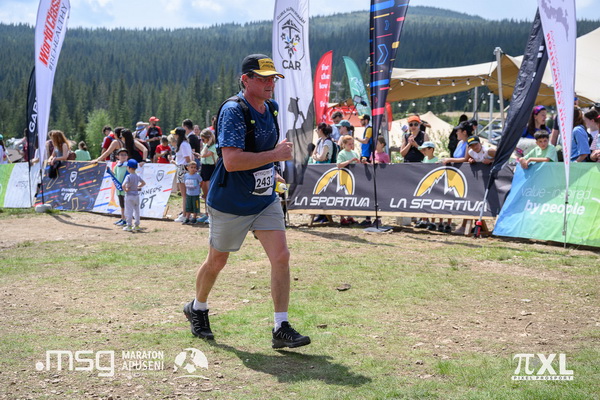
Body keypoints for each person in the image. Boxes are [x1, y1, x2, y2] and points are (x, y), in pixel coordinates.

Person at [183, 54, 310, 349]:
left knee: (281, 256)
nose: (270, 83)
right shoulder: (233, 110)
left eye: (273, 78)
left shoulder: (272, 108)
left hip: (264, 199)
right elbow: (231, 161)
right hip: (230, 201)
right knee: (217, 261)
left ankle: (281, 327)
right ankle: (197, 308)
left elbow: (265, 148)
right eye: (263, 78)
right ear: (246, 79)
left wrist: (273, 170)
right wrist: (274, 156)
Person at [172, 127, 193, 222]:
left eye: (175, 134)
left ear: (178, 135)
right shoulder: (186, 143)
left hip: (183, 168)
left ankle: (185, 215)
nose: (174, 136)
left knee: (184, 194)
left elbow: (187, 158)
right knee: (186, 194)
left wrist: (189, 167)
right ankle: (187, 213)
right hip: (184, 167)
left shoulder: (183, 144)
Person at [197, 129, 217, 224]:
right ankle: (206, 213)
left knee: (209, 193)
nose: (202, 141)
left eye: (203, 139)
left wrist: (208, 144)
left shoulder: (213, 146)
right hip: (204, 168)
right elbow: (202, 155)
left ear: (209, 138)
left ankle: (211, 215)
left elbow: (204, 155)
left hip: (210, 168)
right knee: (205, 194)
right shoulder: (206, 145)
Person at [122, 159, 146, 232]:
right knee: (137, 211)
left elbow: (123, 185)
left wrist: (125, 190)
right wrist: (138, 187)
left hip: (129, 195)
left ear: (129, 167)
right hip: (136, 196)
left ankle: (129, 225)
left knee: (129, 211)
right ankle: (137, 225)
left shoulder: (128, 176)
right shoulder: (137, 176)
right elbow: (143, 183)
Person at [112, 149, 129, 226]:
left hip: (126, 189)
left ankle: (126, 219)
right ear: (117, 156)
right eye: (121, 154)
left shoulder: (128, 166)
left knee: (126, 205)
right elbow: (115, 175)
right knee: (122, 205)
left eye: (125, 154)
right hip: (119, 189)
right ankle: (122, 218)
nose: (123, 156)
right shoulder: (117, 166)